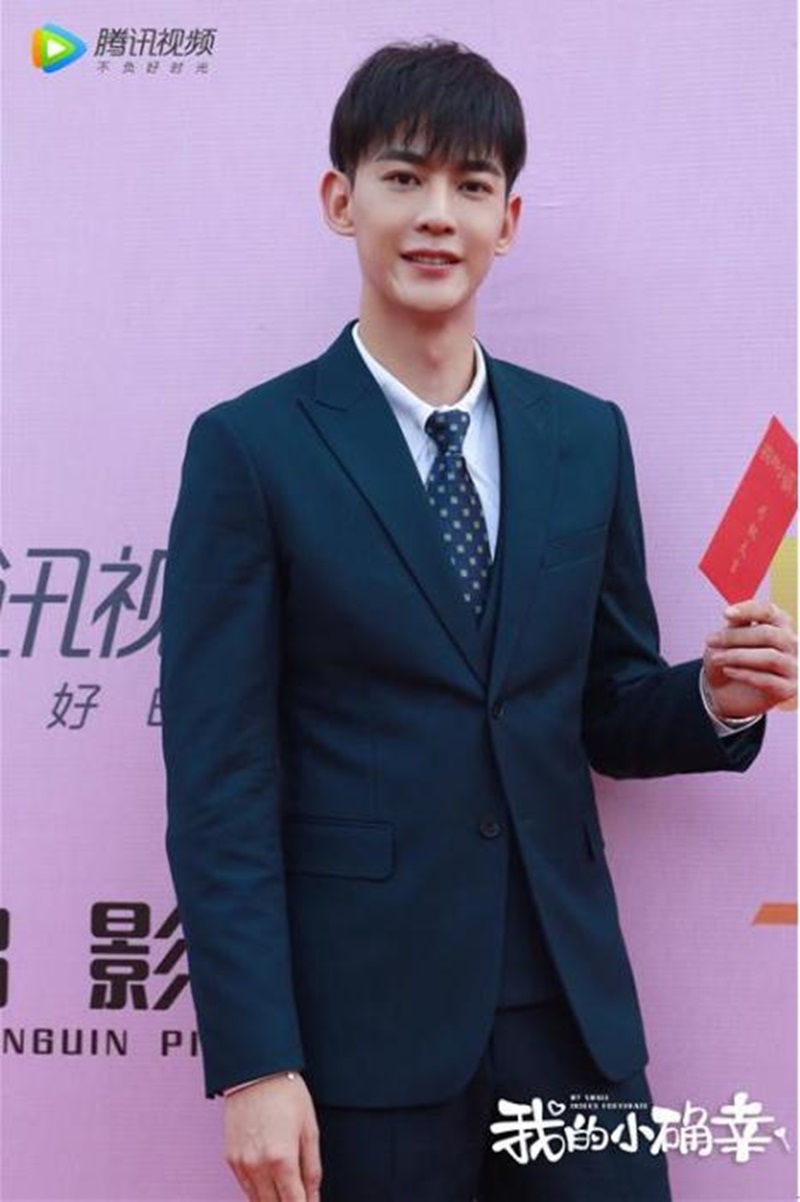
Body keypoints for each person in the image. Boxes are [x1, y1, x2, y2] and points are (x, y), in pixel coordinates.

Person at [159, 39, 796, 1202]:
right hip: (364, 1035)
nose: (435, 214)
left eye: (470, 184)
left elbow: (603, 706)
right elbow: (220, 786)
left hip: (570, 1020)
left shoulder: (582, 436)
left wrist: (712, 695)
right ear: (340, 200)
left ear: (508, 219)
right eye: (403, 178)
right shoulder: (251, 449)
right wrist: (254, 1060)